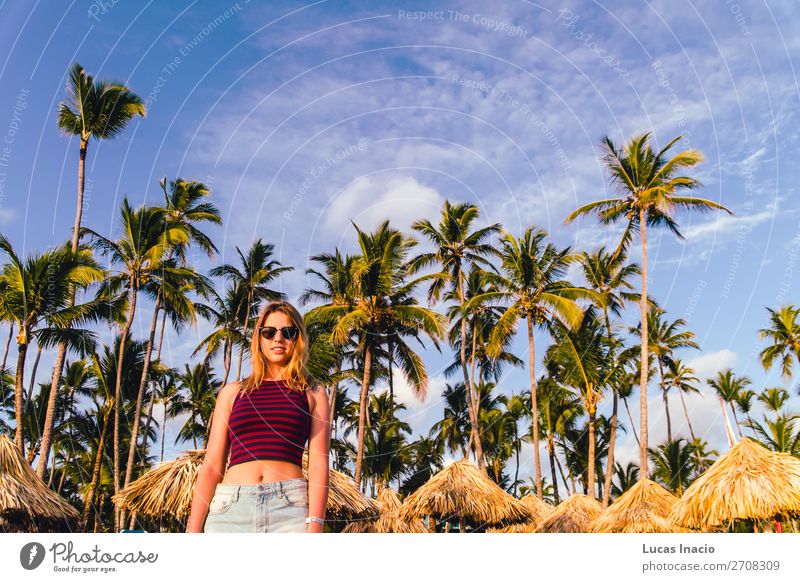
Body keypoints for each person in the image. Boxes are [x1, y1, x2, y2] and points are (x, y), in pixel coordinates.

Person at [185, 300, 331, 533]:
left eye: (288, 332)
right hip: (231, 507)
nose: (278, 338)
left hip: (289, 509)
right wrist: (192, 531)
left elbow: (318, 464)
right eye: (269, 332)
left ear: (298, 338)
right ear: (259, 338)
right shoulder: (233, 393)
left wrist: (315, 526)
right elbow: (212, 465)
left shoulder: (313, 392)